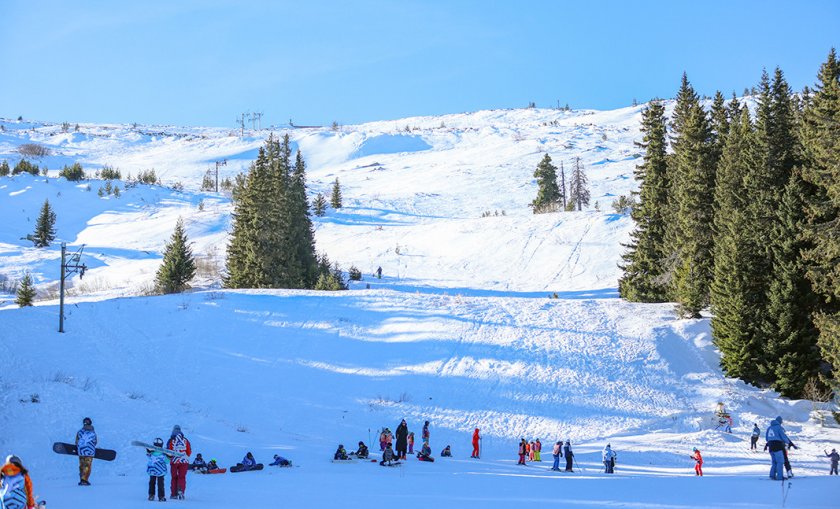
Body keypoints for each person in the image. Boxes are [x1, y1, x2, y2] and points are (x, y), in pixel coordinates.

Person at [765, 416, 795, 480]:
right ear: (780, 421)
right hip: (778, 446)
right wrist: (789, 443)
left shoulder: (769, 428)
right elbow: (783, 436)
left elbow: (767, 438)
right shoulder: (779, 428)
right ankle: (780, 477)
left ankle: (772, 475)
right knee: (780, 462)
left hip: (770, 447)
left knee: (774, 462)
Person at [167, 424, 192, 500]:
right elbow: (189, 452)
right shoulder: (186, 440)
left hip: (174, 462)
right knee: (182, 477)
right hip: (184, 461)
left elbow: (168, 452)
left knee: (174, 477)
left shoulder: (171, 440)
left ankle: (174, 494)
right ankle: (181, 490)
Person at [75, 417, 97, 486]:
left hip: (81, 451)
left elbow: (76, 441)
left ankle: (82, 479)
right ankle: (85, 480)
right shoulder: (92, 432)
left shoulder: (80, 432)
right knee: (87, 465)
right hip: (89, 452)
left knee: (82, 465)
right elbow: (95, 442)